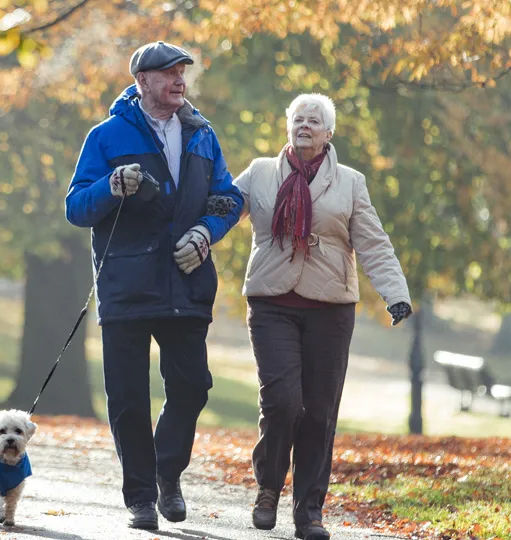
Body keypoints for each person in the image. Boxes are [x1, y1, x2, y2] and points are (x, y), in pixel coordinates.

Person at [64, 41, 243, 531]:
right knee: (127, 397)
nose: (179, 80)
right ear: (142, 81)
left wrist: (205, 233)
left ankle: (167, 472)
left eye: (183, 71)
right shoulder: (106, 136)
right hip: (125, 283)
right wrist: (111, 187)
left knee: (192, 387)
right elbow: (76, 207)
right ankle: (140, 498)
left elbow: (228, 198)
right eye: (167, 73)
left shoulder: (203, 135)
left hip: (186, 281)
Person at [232, 93, 412, 540]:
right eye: (298, 118)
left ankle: (309, 512)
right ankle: (269, 486)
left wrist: (395, 293)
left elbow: (372, 242)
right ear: (287, 125)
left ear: (329, 133)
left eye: (314, 120)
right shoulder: (258, 174)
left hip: (331, 309)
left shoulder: (350, 182)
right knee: (282, 403)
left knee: (318, 413)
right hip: (272, 302)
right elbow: (218, 211)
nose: (305, 125)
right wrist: (194, 236)